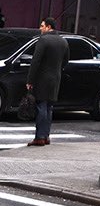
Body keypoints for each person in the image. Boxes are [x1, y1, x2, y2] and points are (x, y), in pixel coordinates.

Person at [26, 17, 68, 147]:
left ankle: (39, 137)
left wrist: (30, 80)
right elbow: (65, 61)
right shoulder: (63, 41)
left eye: (42, 26)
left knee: (41, 106)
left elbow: (35, 61)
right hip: (56, 78)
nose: (40, 28)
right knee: (49, 107)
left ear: (49, 27)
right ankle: (46, 136)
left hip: (42, 78)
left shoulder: (43, 40)